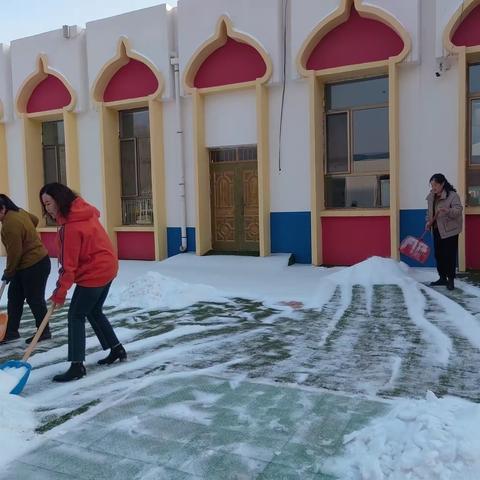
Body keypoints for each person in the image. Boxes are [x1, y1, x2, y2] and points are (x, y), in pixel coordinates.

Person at [39, 183, 126, 382]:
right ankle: (117, 349)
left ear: (59, 201)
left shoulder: (70, 226)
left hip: (94, 273)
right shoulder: (84, 213)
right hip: (108, 267)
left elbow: (68, 265)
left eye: (49, 203)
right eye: (44, 204)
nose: (47, 208)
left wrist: (60, 293)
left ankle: (77, 366)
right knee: (94, 311)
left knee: (75, 315)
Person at [0, 194, 51, 344]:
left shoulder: (10, 225)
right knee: (14, 297)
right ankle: (11, 332)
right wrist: (27, 235)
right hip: (25, 264)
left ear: (2, 208)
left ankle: (44, 331)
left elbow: (14, 253)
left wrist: (8, 273)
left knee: (34, 299)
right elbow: (34, 219)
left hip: (35, 264)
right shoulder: (18, 211)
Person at [425, 173, 463, 291]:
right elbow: (429, 212)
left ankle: (450, 280)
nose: (433, 187)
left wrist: (448, 210)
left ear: (442, 183)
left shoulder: (452, 196)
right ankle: (442, 278)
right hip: (437, 230)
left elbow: (458, 210)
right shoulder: (432, 196)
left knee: (449, 256)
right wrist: (428, 222)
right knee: (439, 255)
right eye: (432, 185)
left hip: (450, 230)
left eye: (435, 185)